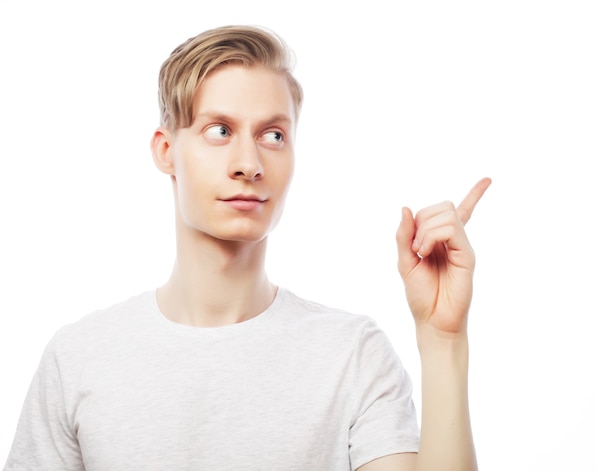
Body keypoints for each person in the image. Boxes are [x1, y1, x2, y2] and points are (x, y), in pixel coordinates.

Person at [4, 25, 490, 470]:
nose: (249, 164)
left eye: (273, 135)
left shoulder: (352, 355)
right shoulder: (79, 358)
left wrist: (442, 340)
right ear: (166, 150)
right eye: (220, 131)